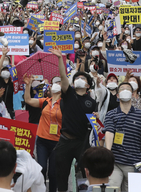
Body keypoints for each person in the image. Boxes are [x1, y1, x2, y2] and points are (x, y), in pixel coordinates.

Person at [52, 46, 97, 192]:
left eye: (82, 78)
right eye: (77, 78)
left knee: (86, 174)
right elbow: (63, 76)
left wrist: (95, 118)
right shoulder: (69, 94)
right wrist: (60, 58)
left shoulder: (91, 101)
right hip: (65, 141)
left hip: (82, 142)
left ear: (88, 85)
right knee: (61, 174)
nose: (79, 79)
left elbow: (95, 124)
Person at [104, 82, 141, 192]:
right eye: (122, 89)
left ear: (132, 94)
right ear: (118, 95)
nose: (125, 90)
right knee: (112, 188)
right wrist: (108, 151)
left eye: (128, 89)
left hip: (133, 163)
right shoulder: (111, 114)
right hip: (115, 161)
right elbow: (109, 132)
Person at [24, 73, 62, 192]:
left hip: (57, 142)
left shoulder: (65, 104)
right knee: (42, 168)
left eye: (59, 83)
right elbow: (28, 100)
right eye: (54, 83)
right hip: (42, 141)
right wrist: (28, 85)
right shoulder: (45, 101)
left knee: (53, 172)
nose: (55, 85)